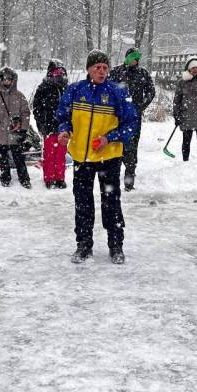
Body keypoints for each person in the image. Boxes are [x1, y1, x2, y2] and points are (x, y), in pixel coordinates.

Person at [56, 49, 138, 264]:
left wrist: (110, 138)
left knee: (111, 203)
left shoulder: (118, 92)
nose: (102, 71)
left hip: (108, 158)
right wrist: (64, 131)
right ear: (89, 69)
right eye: (97, 68)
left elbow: (131, 124)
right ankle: (83, 245)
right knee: (82, 204)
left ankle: (116, 245)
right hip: (82, 159)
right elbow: (63, 116)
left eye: (105, 68)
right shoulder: (75, 90)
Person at [109, 48, 155, 191]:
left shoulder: (143, 73)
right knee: (116, 146)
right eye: (131, 58)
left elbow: (151, 91)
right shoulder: (116, 72)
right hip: (117, 117)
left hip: (134, 117)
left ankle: (129, 182)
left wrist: (141, 106)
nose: (134, 61)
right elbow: (108, 89)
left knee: (132, 149)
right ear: (126, 58)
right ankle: (112, 182)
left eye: (136, 58)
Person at [0, 66, 32, 188]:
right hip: (0, 133)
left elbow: (26, 114)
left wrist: (24, 130)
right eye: (4, 79)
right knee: (3, 157)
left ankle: (24, 178)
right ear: (0, 80)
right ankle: (5, 177)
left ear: (13, 80)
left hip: (15, 133)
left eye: (9, 79)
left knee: (18, 157)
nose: (6, 81)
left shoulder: (19, 96)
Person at [33, 60, 69, 189]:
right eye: (56, 72)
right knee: (49, 154)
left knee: (61, 153)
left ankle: (60, 178)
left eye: (61, 72)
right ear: (50, 73)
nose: (59, 74)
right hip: (48, 126)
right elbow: (36, 108)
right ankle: (49, 178)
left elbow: (71, 107)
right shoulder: (43, 88)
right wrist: (41, 124)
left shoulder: (66, 87)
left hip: (63, 128)